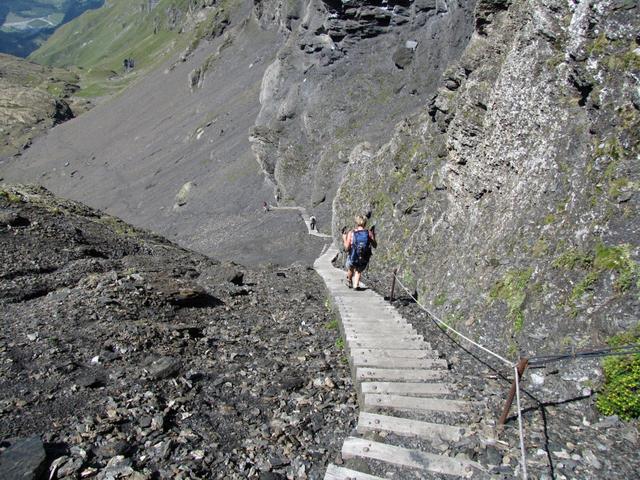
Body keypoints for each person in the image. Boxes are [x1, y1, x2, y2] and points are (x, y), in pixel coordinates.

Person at [342, 214, 376, 290]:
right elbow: (375, 245)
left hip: (353, 256)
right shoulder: (368, 233)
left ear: (356, 223)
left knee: (351, 267)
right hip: (364, 257)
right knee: (359, 269)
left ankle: (349, 280)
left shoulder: (352, 233)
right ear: (365, 223)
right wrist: (373, 236)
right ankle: (356, 285)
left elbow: (347, 248)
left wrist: (344, 238)